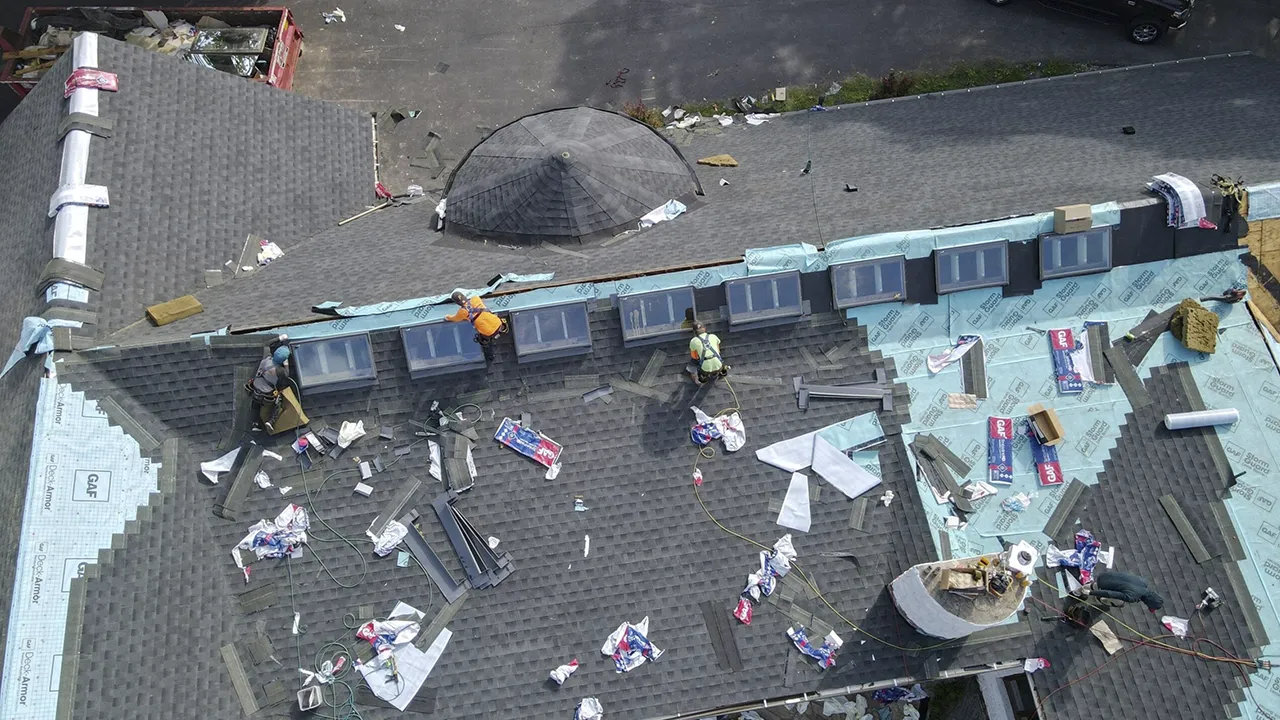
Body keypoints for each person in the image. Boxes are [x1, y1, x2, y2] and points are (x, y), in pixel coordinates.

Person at [446, 291, 507, 359]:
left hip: (488, 333)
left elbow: (454, 319)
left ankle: (489, 353)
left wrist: (447, 317)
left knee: (480, 338)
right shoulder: (476, 298)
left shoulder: (462, 312)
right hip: (498, 323)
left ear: (457, 303)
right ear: (464, 296)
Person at [247, 345, 291, 433]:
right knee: (279, 402)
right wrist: (286, 364)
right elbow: (287, 375)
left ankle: (255, 423)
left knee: (255, 404)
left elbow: (266, 345)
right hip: (267, 394)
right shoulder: (280, 370)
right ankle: (270, 421)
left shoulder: (266, 359)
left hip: (256, 387)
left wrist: (279, 338)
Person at [1077, 571, 1164, 612]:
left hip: (1105, 575)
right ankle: (1082, 596)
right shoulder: (1132, 597)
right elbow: (1110, 594)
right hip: (1101, 585)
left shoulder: (1143, 582)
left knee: (1121, 599)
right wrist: (1090, 593)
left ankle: (1082, 590)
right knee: (1120, 603)